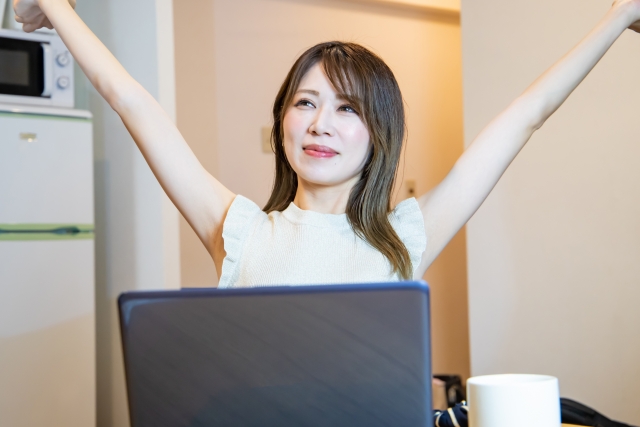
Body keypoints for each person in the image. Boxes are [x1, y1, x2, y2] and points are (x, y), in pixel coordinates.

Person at [12, 0, 640, 288]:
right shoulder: (238, 230)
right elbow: (134, 106)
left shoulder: (405, 238)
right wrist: (56, 8)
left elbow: (524, 118)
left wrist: (617, 16)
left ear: (378, 135)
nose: (320, 124)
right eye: (305, 103)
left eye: (348, 109)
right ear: (282, 123)